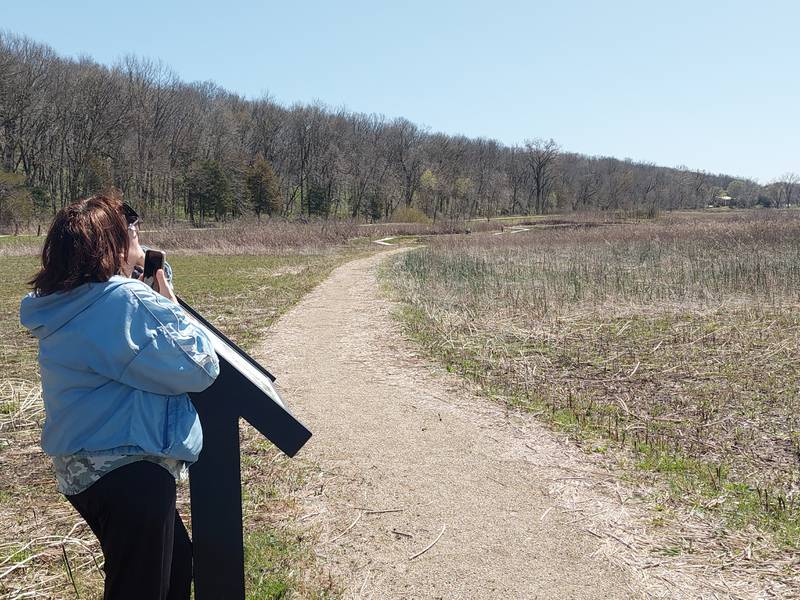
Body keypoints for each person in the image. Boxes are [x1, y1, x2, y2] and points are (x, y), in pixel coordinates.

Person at [19, 195, 219, 600]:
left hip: (85, 470)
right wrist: (168, 303)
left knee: (176, 565)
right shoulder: (121, 301)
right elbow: (199, 365)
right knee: (145, 588)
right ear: (110, 247)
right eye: (131, 236)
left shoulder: (63, 306)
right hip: (131, 468)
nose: (139, 244)